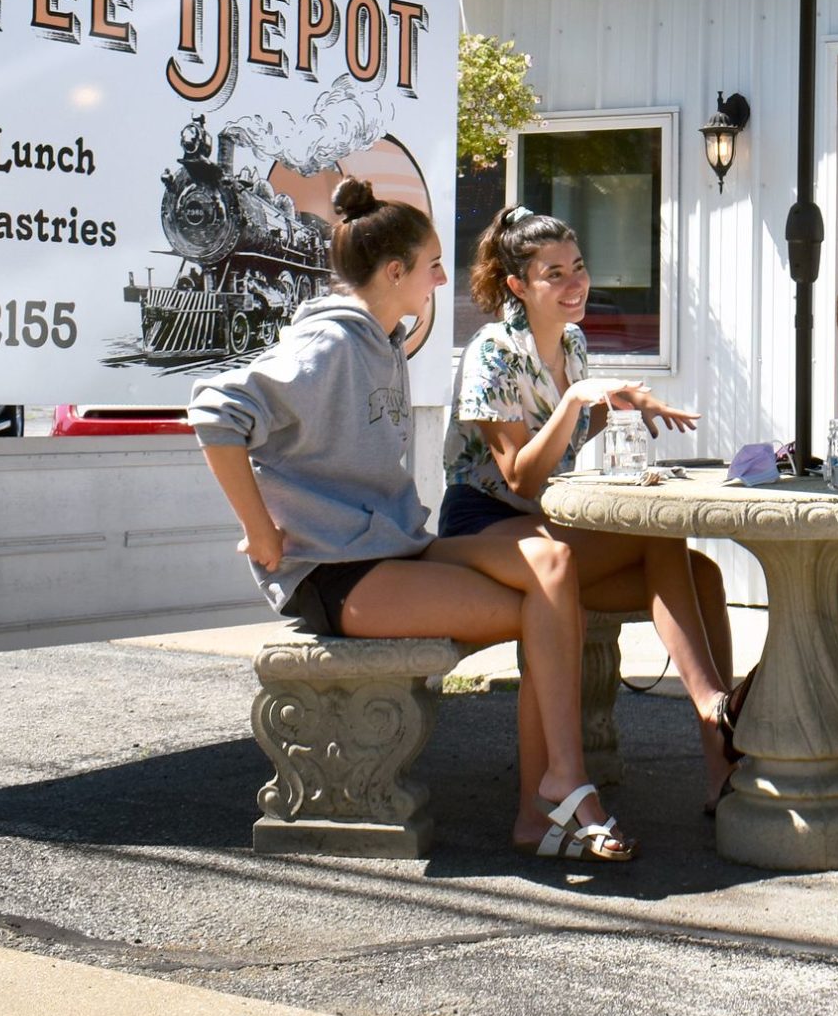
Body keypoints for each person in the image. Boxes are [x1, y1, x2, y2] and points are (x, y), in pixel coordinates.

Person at [191, 180, 634, 861]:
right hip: (341, 572)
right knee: (545, 609)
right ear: (394, 272)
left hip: (393, 548)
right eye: (431, 263)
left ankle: (549, 792)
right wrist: (259, 529)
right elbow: (217, 410)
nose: (442, 276)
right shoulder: (332, 346)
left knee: (553, 567)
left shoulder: (382, 343)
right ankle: (558, 790)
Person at [442, 205, 740, 812]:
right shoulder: (492, 352)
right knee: (658, 537)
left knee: (700, 572)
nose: (575, 283)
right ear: (518, 286)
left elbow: (567, 436)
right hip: (485, 525)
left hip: (546, 525)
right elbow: (521, 477)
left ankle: (722, 763)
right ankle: (714, 708)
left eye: (578, 267)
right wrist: (579, 398)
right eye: (555, 274)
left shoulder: (571, 342)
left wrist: (617, 402)